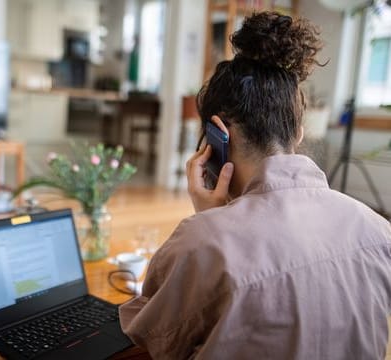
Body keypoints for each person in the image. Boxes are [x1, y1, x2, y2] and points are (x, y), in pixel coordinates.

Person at [119, 11, 391, 359]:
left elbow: (148, 333)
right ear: (298, 133)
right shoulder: (377, 230)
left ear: (218, 133)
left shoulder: (201, 245)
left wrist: (210, 223)